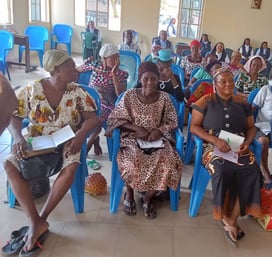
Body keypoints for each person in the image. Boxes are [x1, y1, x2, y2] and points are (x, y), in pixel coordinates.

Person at [3, 50, 99, 254]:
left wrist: (81, 136)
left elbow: (92, 118)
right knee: (9, 163)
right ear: (56, 69)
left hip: (67, 142)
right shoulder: (33, 89)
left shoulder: (76, 91)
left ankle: (42, 219)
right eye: (70, 66)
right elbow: (14, 116)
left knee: (71, 166)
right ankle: (33, 220)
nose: (76, 69)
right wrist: (18, 137)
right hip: (38, 140)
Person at [190, 67, 262, 247]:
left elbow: (251, 127)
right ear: (215, 85)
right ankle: (227, 218)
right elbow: (194, 127)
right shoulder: (205, 101)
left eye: (231, 81)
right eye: (223, 81)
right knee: (221, 169)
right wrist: (215, 140)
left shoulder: (243, 103)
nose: (228, 84)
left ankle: (231, 218)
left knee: (252, 170)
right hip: (211, 145)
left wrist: (248, 141)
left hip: (238, 145)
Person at [106, 62, 183, 219]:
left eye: (153, 79)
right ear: (140, 79)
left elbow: (172, 121)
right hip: (132, 138)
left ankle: (148, 198)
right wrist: (137, 129)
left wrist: (158, 130)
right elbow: (115, 118)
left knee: (168, 161)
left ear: (158, 79)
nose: (149, 82)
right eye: (146, 78)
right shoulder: (129, 96)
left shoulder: (165, 99)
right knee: (133, 159)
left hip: (158, 138)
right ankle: (129, 193)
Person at [78, 43, 128, 156]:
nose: (116, 60)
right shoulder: (94, 64)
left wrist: (114, 74)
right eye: (113, 57)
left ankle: (89, 144)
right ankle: (95, 139)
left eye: (117, 57)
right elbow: (77, 70)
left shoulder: (121, 74)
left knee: (98, 119)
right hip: (89, 101)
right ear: (104, 58)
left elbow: (120, 94)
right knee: (81, 117)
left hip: (109, 105)